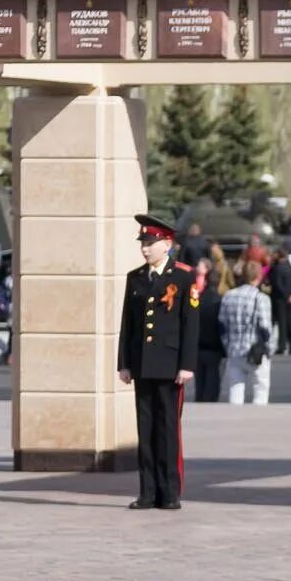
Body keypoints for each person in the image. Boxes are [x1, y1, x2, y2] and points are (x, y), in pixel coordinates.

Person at [118, 213, 201, 510]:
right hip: (143, 365)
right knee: (146, 429)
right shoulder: (136, 277)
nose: (145, 248)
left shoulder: (182, 276)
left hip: (170, 366)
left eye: (151, 243)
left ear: (167, 244)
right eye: (143, 243)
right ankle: (147, 492)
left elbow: (190, 324)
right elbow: (128, 324)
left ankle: (169, 492)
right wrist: (124, 363)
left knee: (168, 430)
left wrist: (187, 364)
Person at [218, 259, 275, 405]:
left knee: (235, 388)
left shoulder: (228, 296)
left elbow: (222, 325)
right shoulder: (262, 298)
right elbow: (265, 328)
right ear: (259, 276)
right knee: (260, 389)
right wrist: (269, 349)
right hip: (255, 351)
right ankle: (257, 422)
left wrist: (227, 344)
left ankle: (235, 421)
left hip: (234, 350)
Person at [192, 249, 230, 401]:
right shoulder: (220, 300)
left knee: (200, 382)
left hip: (199, 345)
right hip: (214, 347)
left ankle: (200, 399)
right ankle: (208, 401)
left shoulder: (198, 299)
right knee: (212, 381)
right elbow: (222, 325)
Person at [267, 247, 291, 355]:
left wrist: (286, 295)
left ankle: (282, 346)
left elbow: (277, 284)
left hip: (280, 299)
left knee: (282, 324)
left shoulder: (276, 269)